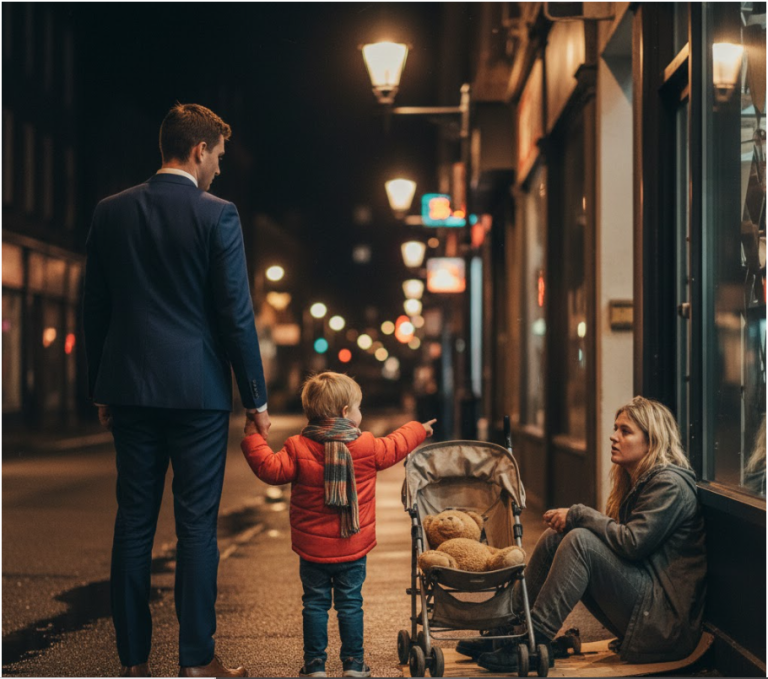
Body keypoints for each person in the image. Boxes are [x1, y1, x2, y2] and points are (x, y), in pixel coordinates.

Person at [83, 103, 271, 678]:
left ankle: (134, 664)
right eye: (217, 156)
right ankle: (196, 662)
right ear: (197, 150)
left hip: (131, 387)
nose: (218, 168)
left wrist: (101, 386)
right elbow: (235, 315)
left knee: (133, 523)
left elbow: (96, 307)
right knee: (196, 527)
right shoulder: (218, 216)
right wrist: (256, 400)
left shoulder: (110, 212)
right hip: (198, 393)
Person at [458, 396, 706, 671]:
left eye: (625, 431)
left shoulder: (669, 485)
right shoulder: (644, 481)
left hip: (664, 624)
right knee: (558, 537)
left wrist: (580, 514)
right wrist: (578, 520)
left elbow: (633, 543)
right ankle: (508, 629)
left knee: (581, 541)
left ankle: (533, 641)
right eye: (615, 428)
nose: (613, 437)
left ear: (652, 440)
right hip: (646, 607)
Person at [240, 372, 436, 678]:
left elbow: (269, 467)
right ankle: (354, 665)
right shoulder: (367, 445)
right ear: (346, 412)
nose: (360, 414)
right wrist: (418, 429)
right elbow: (396, 445)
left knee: (314, 605)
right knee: (350, 605)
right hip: (352, 546)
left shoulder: (297, 446)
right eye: (358, 408)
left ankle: (315, 665)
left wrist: (253, 436)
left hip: (312, 549)